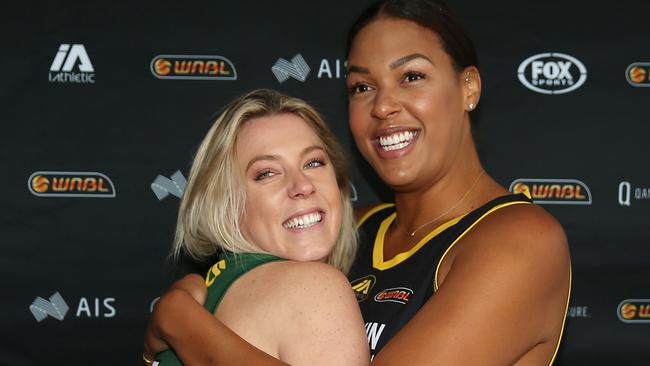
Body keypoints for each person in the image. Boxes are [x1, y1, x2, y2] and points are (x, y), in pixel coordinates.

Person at [145, 1, 571, 365]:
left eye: (412, 77)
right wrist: (197, 291)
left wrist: (183, 325)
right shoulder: (344, 228)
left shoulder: (522, 239)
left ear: (468, 87)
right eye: (362, 86)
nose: (383, 105)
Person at [143, 89, 369, 366]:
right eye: (267, 173)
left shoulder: (206, 296)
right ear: (226, 202)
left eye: (313, 163)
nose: (303, 185)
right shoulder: (315, 288)